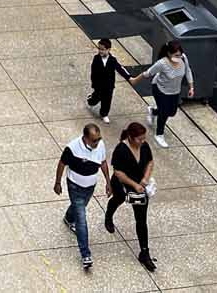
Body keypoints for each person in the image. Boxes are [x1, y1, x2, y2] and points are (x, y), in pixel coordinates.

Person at [104, 121, 157, 272]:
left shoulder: (144, 146)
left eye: (143, 138)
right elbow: (118, 172)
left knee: (141, 219)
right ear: (131, 137)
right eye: (139, 139)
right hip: (123, 184)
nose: (142, 141)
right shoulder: (121, 150)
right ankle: (109, 215)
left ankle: (144, 252)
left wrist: (145, 179)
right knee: (118, 199)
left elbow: (150, 162)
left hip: (140, 186)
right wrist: (134, 185)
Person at [54, 123, 106, 271]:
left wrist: (108, 182)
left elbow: (102, 162)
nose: (97, 142)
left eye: (99, 138)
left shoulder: (100, 145)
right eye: (94, 140)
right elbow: (62, 164)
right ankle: (85, 255)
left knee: (79, 208)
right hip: (75, 187)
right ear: (85, 138)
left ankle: (68, 217)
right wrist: (57, 183)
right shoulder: (72, 148)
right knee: (81, 219)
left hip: (90, 186)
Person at [131, 40, 194, 148]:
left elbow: (188, 71)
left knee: (172, 112)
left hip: (175, 91)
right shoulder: (162, 63)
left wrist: (191, 87)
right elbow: (148, 73)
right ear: (169, 54)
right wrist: (135, 80)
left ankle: (153, 111)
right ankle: (159, 134)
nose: (179, 57)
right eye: (176, 55)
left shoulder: (183, 58)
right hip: (160, 90)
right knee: (164, 113)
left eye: (180, 55)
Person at [87, 38, 132, 123]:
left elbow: (120, 69)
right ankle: (90, 100)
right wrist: (94, 83)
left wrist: (128, 77)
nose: (100, 51)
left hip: (109, 85)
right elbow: (93, 72)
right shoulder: (96, 58)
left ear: (108, 49)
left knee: (107, 100)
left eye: (102, 49)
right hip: (99, 85)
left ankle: (104, 114)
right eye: (99, 49)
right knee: (96, 98)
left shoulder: (112, 60)